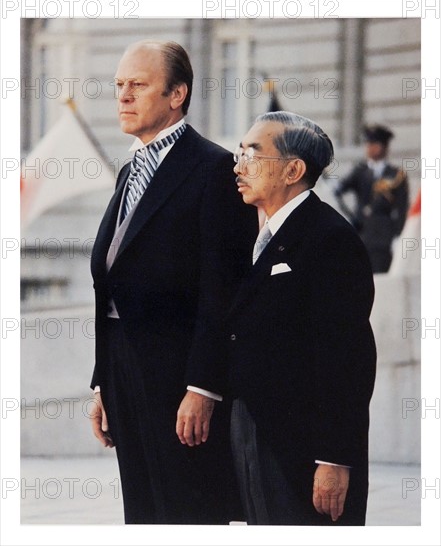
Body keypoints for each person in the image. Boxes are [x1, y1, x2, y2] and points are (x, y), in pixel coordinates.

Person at [89, 39, 257, 524]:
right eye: (120, 85)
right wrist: (103, 382)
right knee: (141, 515)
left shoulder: (213, 170)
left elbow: (222, 290)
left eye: (138, 85)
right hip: (124, 369)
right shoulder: (129, 170)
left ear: (176, 94)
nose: (123, 96)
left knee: (187, 513)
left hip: (179, 378)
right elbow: (112, 280)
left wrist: (203, 386)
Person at [228, 111, 377, 525]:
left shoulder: (330, 239)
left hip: (303, 448)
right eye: (239, 153)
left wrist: (334, 459)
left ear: (293, 169)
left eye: (253, 154)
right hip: (252, 428)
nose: (238, 166)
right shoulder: (257, 237)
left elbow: (348, 360)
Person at [334, 124, 409, 273]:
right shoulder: (360, 171)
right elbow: (338, 191)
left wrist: (398, 235)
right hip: (361, 234)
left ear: (385, 147)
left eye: (374, 144)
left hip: (383, 237)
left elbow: (402, 208)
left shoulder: (396, 175)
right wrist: (351, 217)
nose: (370, 148)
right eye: (368, 144)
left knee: (380, 278)